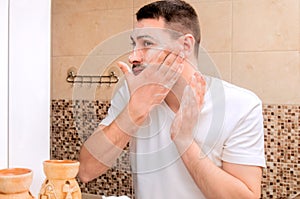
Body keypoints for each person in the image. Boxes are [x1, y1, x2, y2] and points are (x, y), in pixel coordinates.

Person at [78, 0, 266, 198]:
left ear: (185, 45)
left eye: (147, 43)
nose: (133, 57)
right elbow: (86, 171)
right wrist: (136, 110)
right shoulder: (132, 93)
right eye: (135, 44)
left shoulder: (241, 105)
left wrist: (184, 141)